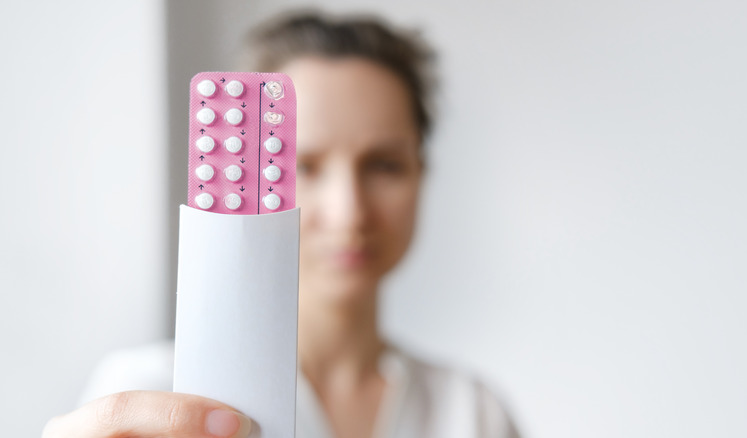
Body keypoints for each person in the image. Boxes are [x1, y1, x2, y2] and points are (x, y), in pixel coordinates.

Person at [42, 11, 520, 438]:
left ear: (421, 174)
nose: (349, 211)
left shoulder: (473, 414)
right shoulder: (144, 394)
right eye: (303, 166)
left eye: (384, 165)